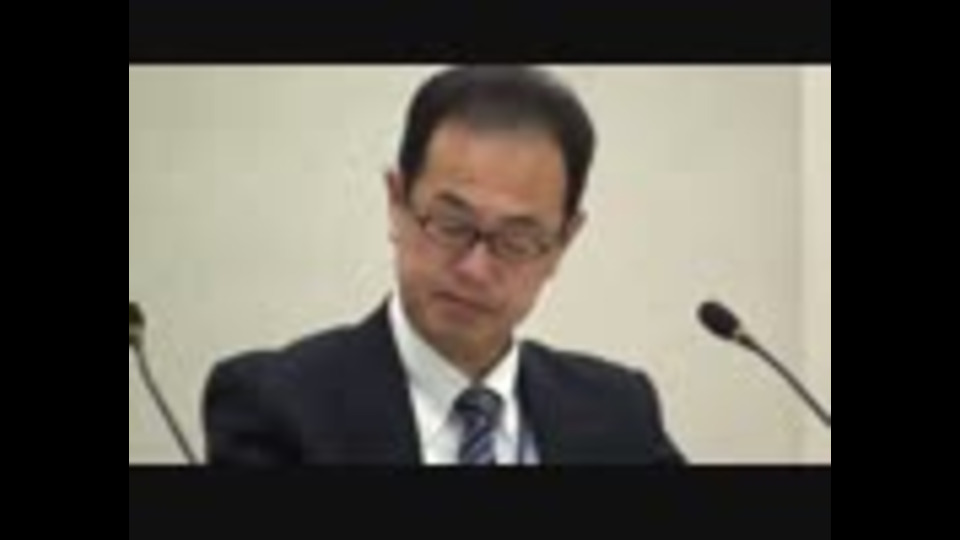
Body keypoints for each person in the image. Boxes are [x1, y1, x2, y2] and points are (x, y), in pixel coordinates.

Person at [203, 66, 685, 465]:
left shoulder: (619, 412)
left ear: (562, 243)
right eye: (452, 225)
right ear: (397, 204)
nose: (475, 269)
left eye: (516, 240)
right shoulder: (276, 406)